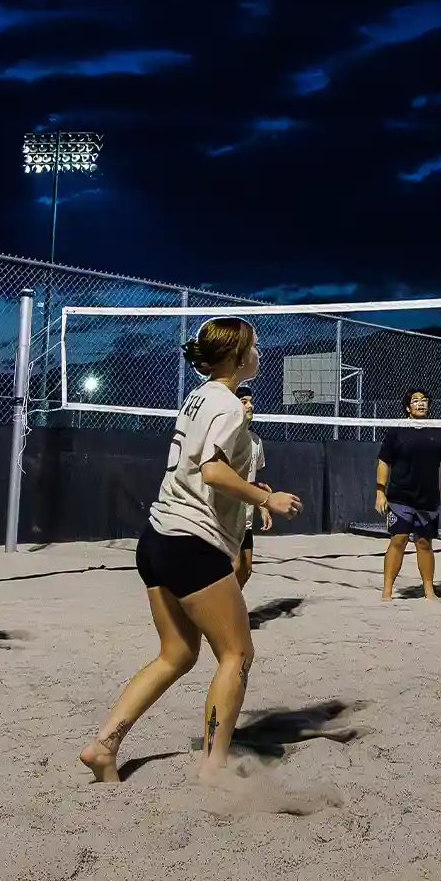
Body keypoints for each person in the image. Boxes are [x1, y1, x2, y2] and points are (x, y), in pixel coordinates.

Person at [80, 319, 303, 782]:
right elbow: (213, 471)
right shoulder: (227, 405)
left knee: (177, 654)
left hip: (158, 537)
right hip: (190, 543)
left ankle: (104, 744)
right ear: (239, 357)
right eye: (255, 347)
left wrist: (248, 489)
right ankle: (214, 767)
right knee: (236, 655)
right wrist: (267, 499)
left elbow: (210, 469)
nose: (260, 353)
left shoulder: (199, 395)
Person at [376, 389, 441, 600]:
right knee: (399, 540)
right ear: (407, 407)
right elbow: (384, 461)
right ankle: (387, 591)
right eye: (416, 401)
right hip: (400, 497)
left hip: (427, 498)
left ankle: (429, 591)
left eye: (424, 401)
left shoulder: (438, 431)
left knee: (424, 543)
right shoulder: (397, 431)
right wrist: (380, 492)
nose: (421, 404)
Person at [235, 384, 273, 587]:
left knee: (246, 570)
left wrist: (262, 505)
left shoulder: (256, 441)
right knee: (232, 569)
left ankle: (229, 614)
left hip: (245, 519)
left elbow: (251, 480)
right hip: (225, 517)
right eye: (244, 402)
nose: (250, 405)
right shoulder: (226, 438)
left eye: (250, 401)